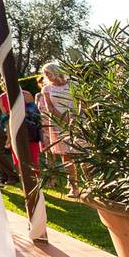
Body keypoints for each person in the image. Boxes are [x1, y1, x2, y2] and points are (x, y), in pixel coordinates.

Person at [41, 62, 80, 197]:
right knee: (66, 155)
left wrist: (74, 118)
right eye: (45, 74)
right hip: (59, 123)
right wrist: (64, 119)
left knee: (83, 152)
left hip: (78, 121)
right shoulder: (46, 89)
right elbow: (50, 108)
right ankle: (74, 187)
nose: (47, 76)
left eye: (48, 73)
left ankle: (92, 184)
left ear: (56, 71)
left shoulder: (73, 85)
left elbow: (80, 102)